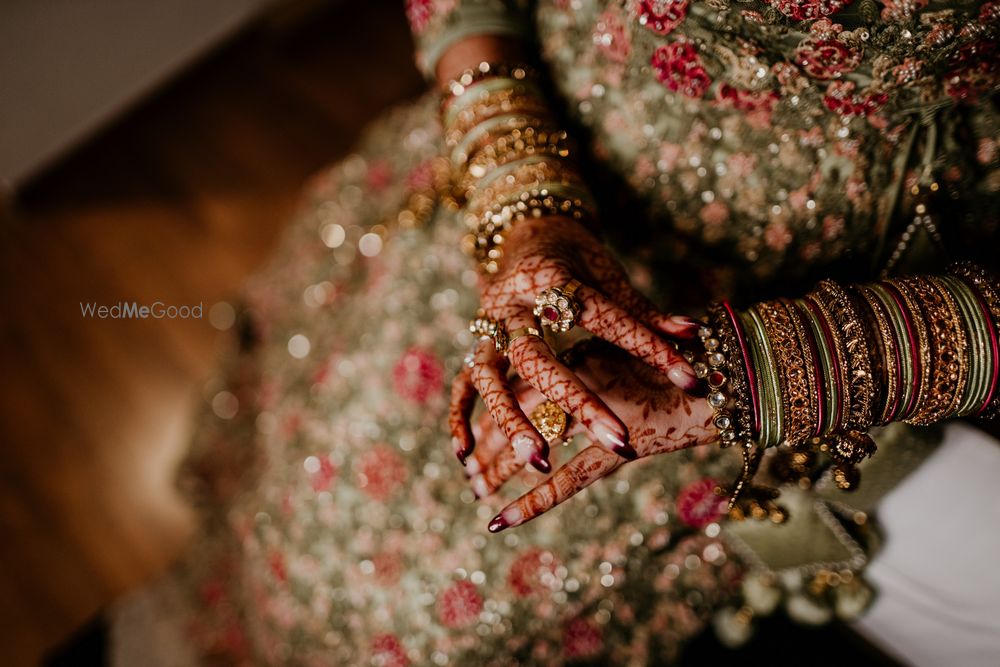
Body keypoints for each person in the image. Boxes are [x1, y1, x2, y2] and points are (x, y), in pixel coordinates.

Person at [111, 0, 1000, 664]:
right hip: (537, 155)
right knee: (304, 504)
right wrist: (520, 194)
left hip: (808, 292)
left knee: (429, 627)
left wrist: (743, 377)